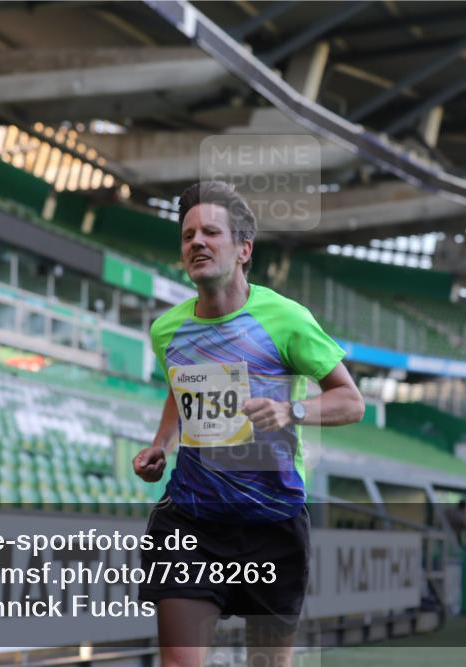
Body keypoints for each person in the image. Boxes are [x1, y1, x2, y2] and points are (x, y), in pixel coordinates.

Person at [133, 181, 364, 667]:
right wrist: (161, 444)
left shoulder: (287, 319)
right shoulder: (167, 330)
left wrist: (291, 411)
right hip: (191, 518)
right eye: (188, 234)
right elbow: (180, 389)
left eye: (211, 232)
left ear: (243, 249)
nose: (197, 242)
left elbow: (350, 401)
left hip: (272, 520)